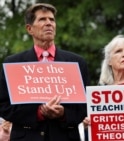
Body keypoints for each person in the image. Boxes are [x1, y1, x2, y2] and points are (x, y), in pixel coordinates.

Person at [0, 3, 89, 141]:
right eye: (42, 19)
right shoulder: (13, 63)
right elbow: (4, 106)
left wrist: (63, 113)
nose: (49, 23)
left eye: (52, 20)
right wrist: (39, 113)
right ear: (30, 29)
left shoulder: (77, 63)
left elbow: (85, 107)